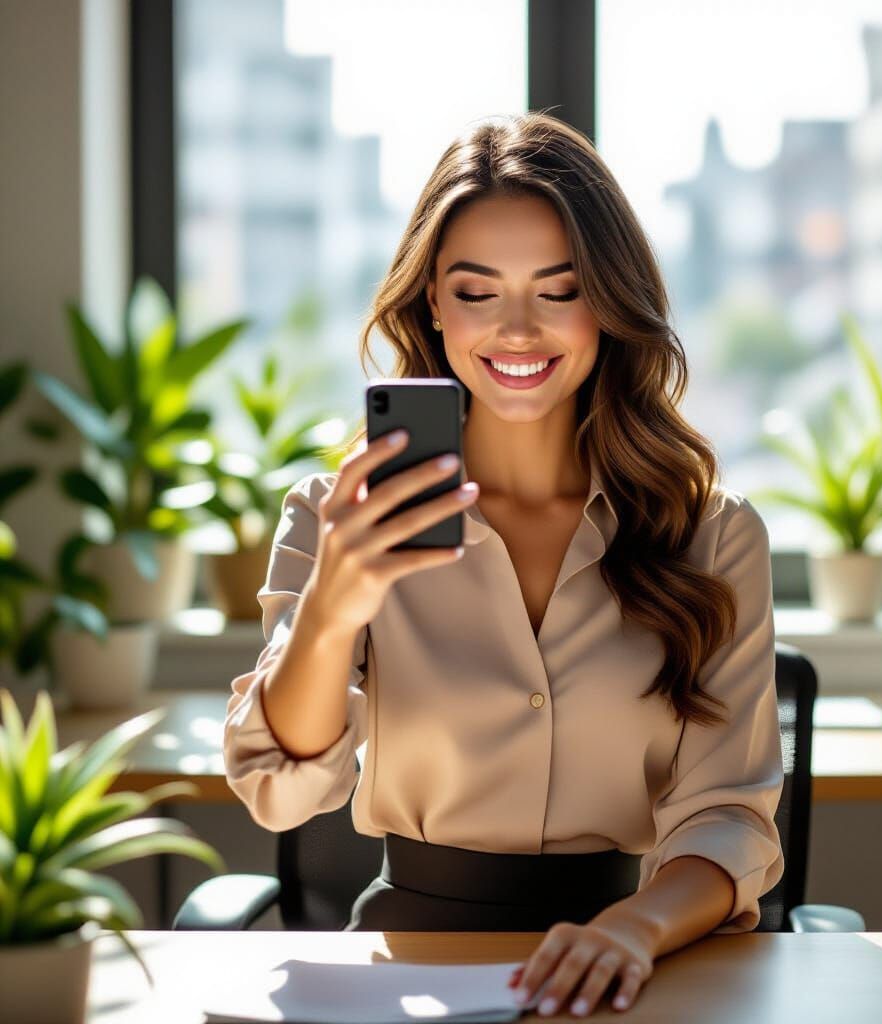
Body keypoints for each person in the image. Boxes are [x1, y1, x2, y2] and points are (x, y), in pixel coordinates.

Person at [222, 111, 784, 1018]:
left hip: (634, 958)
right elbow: (282, 796)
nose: (518, 331)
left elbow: (731, 814)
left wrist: (634, 929)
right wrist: (331, 609)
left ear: (607, 301)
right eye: (477, 292)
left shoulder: (711, 536)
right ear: (432, 305)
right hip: (409, 965)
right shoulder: (338, 518)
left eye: (558, 291)